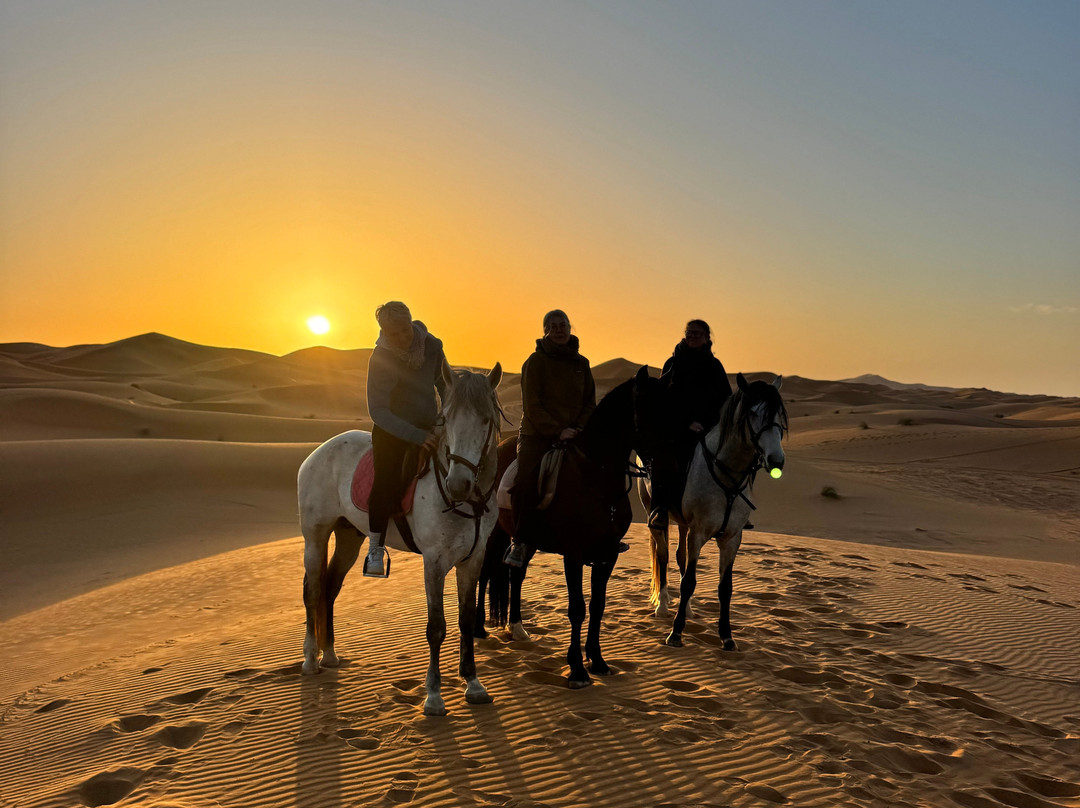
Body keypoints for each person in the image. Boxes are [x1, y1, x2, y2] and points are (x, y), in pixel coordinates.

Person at [504, 310, 596, 567]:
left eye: (562, 325)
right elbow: (532, 406)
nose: (559, 330)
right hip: (537, 434)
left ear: (570, 327)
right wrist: (558, 430)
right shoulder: (535, 362)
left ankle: (601, 534)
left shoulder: (581, 363)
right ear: (545, 330)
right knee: (526, 481)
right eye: (553, 326)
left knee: (601, 471)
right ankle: (520, 542)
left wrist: (577, 428)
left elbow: (590, 402)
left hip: (576, 433)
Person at [363, 301, 447, 578]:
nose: (402, 337)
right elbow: (377, 410)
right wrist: (416, 436)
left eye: (404, 329)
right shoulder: (381, 358)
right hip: (392, 431)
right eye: (393, 333)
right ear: (384, 332)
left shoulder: (431, 345)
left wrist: (445, 418)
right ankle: (376, 547)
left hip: (430, 426)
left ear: (411, 321)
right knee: (385, 482)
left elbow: (444, 384)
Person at [649, 319, 733, 529]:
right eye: (689, 333)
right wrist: (686, 423)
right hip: (677, 429)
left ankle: (734, 509)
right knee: (664, 459)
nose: (692, 336)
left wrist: (711, 424)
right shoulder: (673, 363)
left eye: (697, 333)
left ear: (707, 338)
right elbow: (664, 400)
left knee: (733, 461)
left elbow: (726, 401)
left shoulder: (714, 366)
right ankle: (659, 510)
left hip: (709, 429)